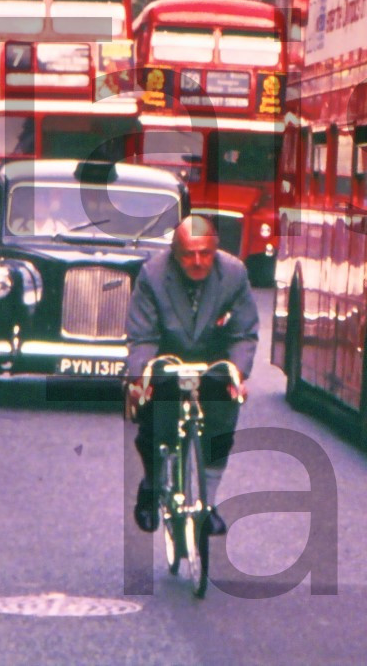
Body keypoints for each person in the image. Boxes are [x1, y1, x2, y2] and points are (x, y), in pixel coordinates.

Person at [125, 215, 260, 535]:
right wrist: (141, 378)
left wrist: (237, 374)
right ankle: (152, 486)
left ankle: (208, 503)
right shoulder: (153, 275)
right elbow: (142, 335)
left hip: (213, 361)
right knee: (155, 425)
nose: (197, 261)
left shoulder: (234, 274)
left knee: (221, 426)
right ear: (174, 253)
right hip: (165, 359)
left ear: (216, 250)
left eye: (205, 253)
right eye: (188, 254)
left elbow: (244, 332)